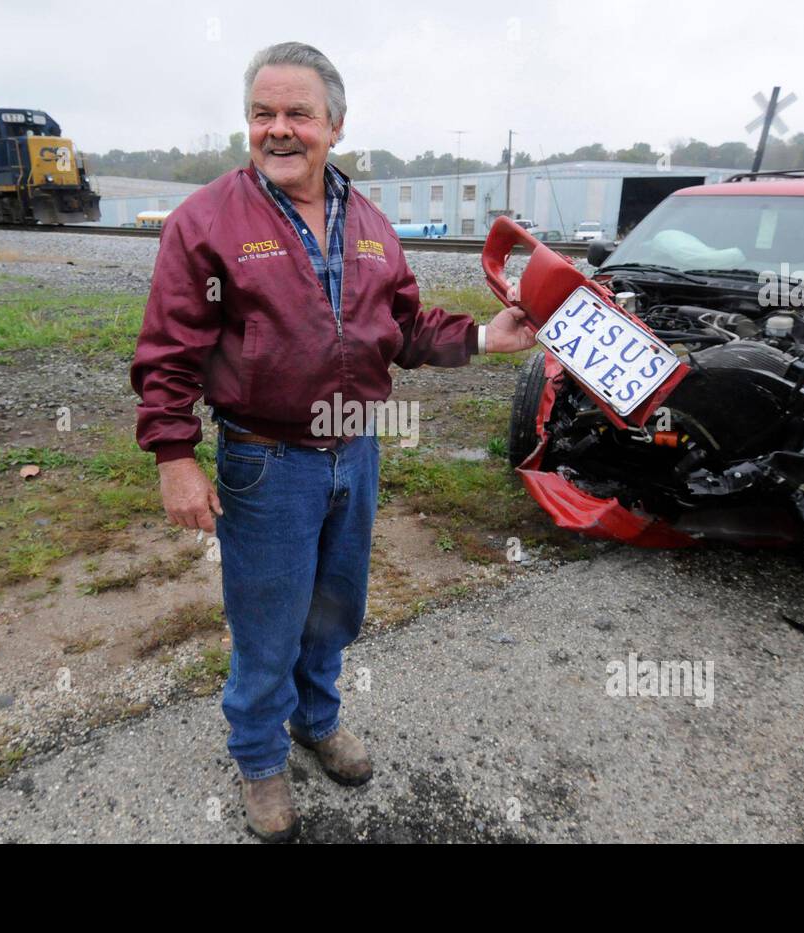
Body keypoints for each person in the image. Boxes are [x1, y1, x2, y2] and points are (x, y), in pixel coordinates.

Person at [129, 41, 535, 842]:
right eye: (262, 114)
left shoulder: (373, 222)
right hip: (264, 458)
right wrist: (176, 457)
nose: (278, 130)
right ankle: (258, 755)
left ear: (335, 126)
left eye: (298, 115)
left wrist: (488, 335)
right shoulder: (205, 221)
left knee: (335, 608)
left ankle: (316, 720)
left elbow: (406, 325)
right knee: (267, 616)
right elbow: (168, 350)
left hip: (357, 449)